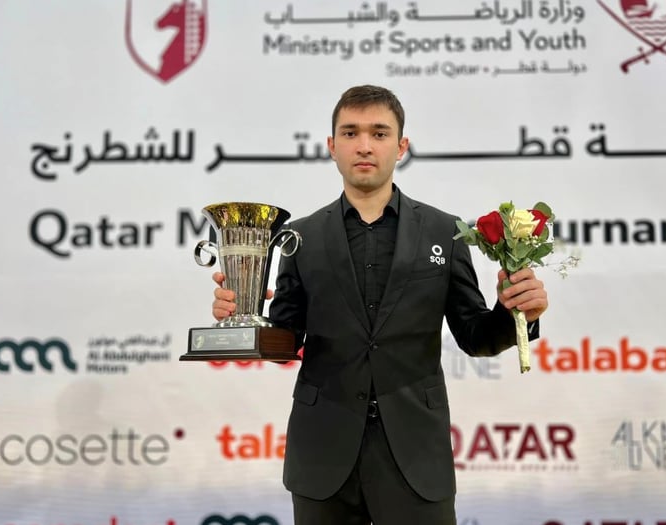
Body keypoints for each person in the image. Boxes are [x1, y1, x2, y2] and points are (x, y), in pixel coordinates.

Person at [211, 85, 549, 525]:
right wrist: (241, 317)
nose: (365, 145)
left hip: (415, 455)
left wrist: (515, 313)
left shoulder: (445, 232)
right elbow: (287, 341)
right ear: (331, 146)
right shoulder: (300, 238)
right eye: (350, 133)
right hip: (323, 454)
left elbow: (475, 337)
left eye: (380, 133)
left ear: (402, 146)